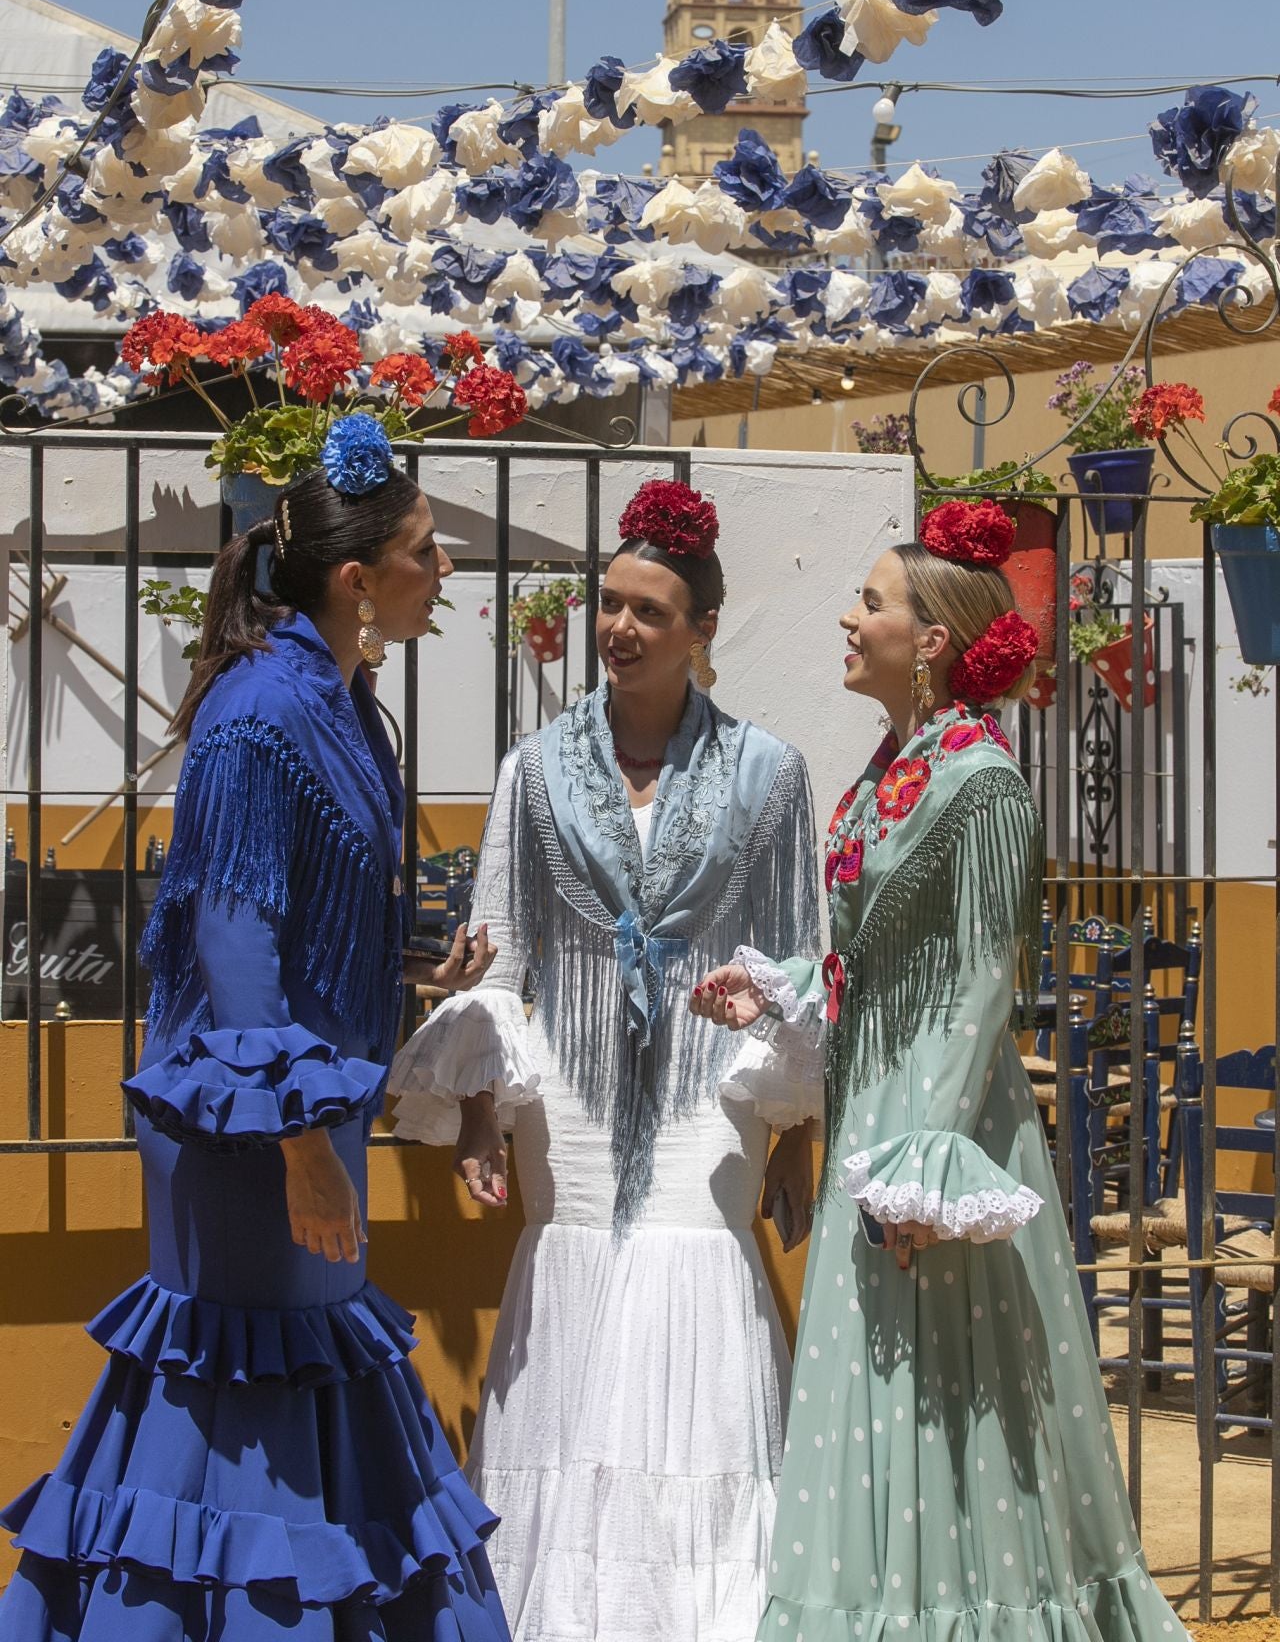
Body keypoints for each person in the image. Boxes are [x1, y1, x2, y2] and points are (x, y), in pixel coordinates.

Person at [0, 415, 511, 1642]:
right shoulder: (256, 715)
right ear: (357, 580)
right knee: (252, 1380)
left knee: (305, 1372)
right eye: (427, 552)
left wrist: (411, 970)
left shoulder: (339, 700)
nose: (445, 573)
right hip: (245, 1137)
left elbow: (299, 923)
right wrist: (296, 1147)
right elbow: (233, 947)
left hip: (293, 1113)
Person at [691, 498, 1192, 1642]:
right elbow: (866, 963)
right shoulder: (889, 769)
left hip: (934, 1132)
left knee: (940, 1399)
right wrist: (773, 984)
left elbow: (972, 993)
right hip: (881, 1111)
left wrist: (918, 1173)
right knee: (882, 1393)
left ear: (930, 642)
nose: (846, 617)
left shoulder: (982, 787)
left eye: (869, 601)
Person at [390, 478, 825, 1642]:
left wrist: (801, 1132)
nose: (620, 628)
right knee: (574, 1314)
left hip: (711, 1098)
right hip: (567, 1106)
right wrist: (480, 1111)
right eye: (609, 604)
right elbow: (498, 949)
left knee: (694, 1280)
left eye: (649, 611)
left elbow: (798, 961)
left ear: (701, 632)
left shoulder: (770, 775)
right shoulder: (534, 770)